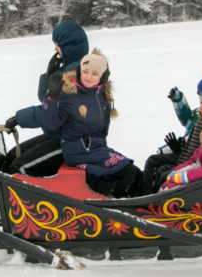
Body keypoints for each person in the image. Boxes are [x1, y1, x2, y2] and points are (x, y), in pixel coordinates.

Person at [42, 49, 142, 198]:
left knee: (134, 173)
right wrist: (52, 98)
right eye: (85, 72)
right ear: (79, 71)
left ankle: (132, 202)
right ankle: (121, 206)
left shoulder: (102, 97)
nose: (88, 77)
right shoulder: (71, 95)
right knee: (129, 172)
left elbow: (103, 131)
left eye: (94, 74)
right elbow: (51, 124)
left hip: (95, 148)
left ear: (102, 77)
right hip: (78, 151)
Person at [1, 20, 89, 176]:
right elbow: (46, 99)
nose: (55, 48)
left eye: (58, 44)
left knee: (19, 169)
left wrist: (20, 118)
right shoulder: (68, 69)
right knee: (13, 156)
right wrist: (51, 74)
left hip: (75, 143)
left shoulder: (80, 75)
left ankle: (26, 201)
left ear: (69, 46)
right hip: (58, 136)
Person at [142, 83, 202, 194]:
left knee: (163, 173)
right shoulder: (199, 121)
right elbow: (191, 144)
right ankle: (145, 194)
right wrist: (178, 147)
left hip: (192, 164)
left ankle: (153, 199)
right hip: (184, 157)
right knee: (153, 160)